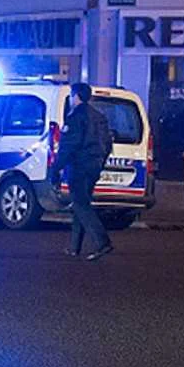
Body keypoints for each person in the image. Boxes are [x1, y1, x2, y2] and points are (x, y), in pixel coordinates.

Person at [52, 82, 114, 261]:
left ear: (76, 96)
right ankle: (74, 247)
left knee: (81, 205)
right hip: (94, 165)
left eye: (72, 95)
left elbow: (68, 146)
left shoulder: (75, 117)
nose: (71, 99)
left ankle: (102, 242)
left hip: (79, 166)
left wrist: (56, 169)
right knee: (82, 203)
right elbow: (107, 144)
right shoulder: (99, 116)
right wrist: (100, 162)